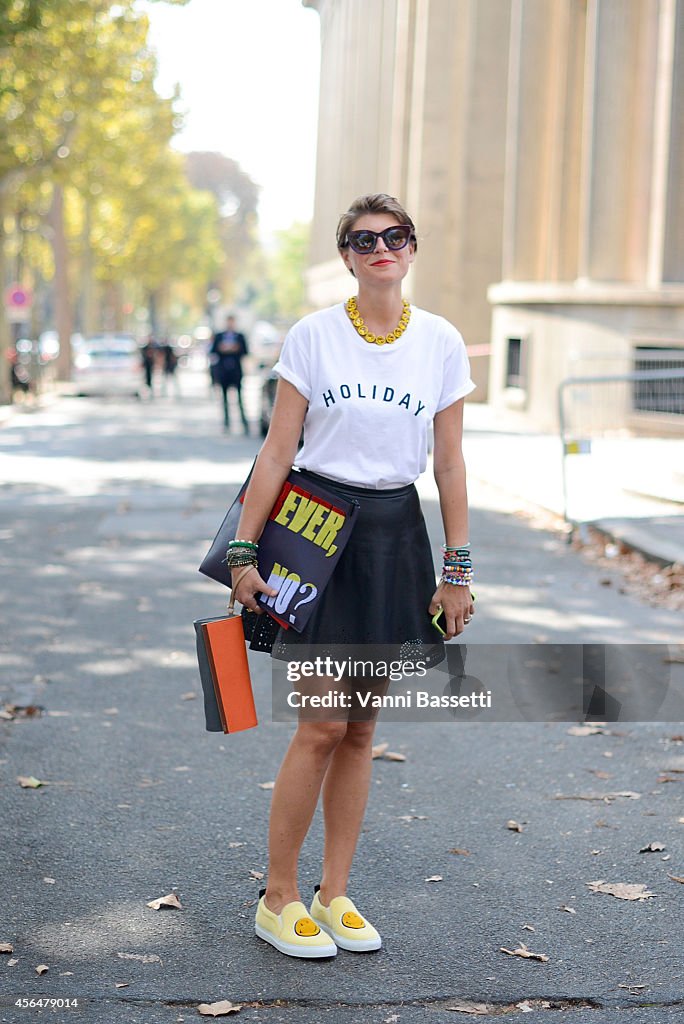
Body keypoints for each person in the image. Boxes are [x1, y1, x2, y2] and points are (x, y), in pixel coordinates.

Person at [227, 194, 476, 959]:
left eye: (395, 236)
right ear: (346, 255)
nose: (381, 249)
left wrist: (456, 567)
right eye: (364, 240)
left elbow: (449, 460)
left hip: (396, 534)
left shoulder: (439, 341)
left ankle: (335, 893)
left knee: (362, 729)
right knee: (321, 724)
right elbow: (277, 449)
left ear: (410, 248)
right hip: (316, 529)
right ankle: (279, 898)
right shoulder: (313, 336)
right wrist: (242, 552)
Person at [210, 314, 249, 433]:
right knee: (224, 399)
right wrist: (224, 349)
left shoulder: (240, 336)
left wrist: (234, 349)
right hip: (223, 371)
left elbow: (245, 351)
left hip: (236, 371)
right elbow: (213, 351)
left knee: (240, 398)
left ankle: (244, 423)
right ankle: (226, 423)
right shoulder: (219, 336)